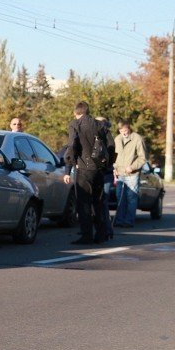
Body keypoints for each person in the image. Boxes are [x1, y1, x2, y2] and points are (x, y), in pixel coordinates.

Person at [62, 101, 107, 244]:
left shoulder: (75, 124)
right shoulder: (100, 125)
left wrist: (68, 169)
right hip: (98, 169)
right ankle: (101, 234)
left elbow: (72, 146)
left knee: (84, 203)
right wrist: (106, 165)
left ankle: (86, 235)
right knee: (98, 202)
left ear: (76, 113)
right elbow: (110, 146)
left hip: (83, 168)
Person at [113, 118, 147, 228]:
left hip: (132, 174)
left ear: (129, 128)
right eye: (121, 130)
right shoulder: (117, 139)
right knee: (120, 198)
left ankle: (129, 221)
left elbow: (142, 158)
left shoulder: (137, 139)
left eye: (125, 130)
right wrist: (114, 168)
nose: (123, 132)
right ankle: (119, 220)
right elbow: (114, 156)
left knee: (131, 198)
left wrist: (132, 167)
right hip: (120, 173)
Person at [95, 117, 116, 240]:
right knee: (102, 203)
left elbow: (111, 155)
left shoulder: (106, 137)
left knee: (101, 203)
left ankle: (105, 230)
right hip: (103, 173)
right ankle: (105, 229)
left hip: (103, 173)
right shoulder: (106, 136)